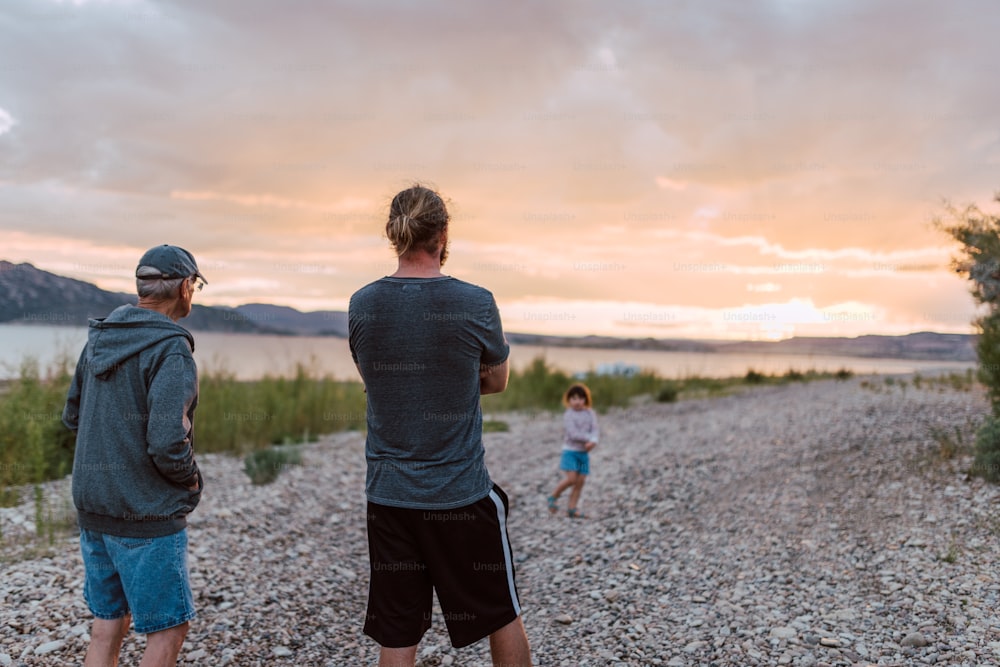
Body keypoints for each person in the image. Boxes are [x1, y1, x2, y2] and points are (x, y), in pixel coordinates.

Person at [349, 184, 532, 667]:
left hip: (388, 497)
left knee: (398, 632)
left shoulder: (362, 304)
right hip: (459, 494)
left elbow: (376, 384)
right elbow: (497, 380)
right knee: (501, 613)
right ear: (444, 234)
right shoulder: (475, 302)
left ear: (393, 234)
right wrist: (455, 376)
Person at [62, 245, 206, 667]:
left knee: (109, 621)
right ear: (185, 287)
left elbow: (73, 417)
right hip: (146, 515)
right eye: (194, 285)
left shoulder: (99, 341)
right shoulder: (171, 349)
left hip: (94, 507)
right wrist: (191, 480)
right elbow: (167, 442)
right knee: (167, 630)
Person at [547, 383, 599, 519]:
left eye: (581, 398)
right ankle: (553, 496)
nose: (577, 401)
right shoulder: (569, 415)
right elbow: (573, 434)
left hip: (584, 454)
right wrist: (590, 439)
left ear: (586, 400)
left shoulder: (590, 413)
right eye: (574, 398)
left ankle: (572, 508)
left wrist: (594, 441)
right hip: (570, 452)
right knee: (572, 479)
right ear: (569, 400)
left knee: (580, 481)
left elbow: (595, 430)